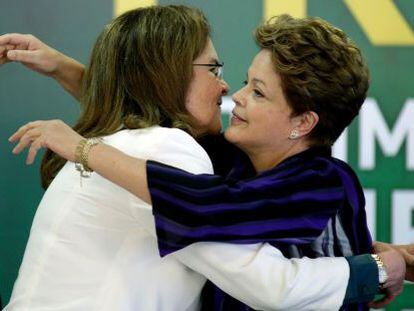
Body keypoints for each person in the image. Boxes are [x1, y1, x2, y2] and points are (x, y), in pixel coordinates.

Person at [2, 11, 410, 311]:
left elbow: (205, 208)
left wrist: (375, 261)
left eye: (259, 92)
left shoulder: (322, 181)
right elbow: (145, 107)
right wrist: (65, 71)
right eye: (234, 76)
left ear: (303, 122)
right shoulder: (208, 155)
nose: (236, 92)